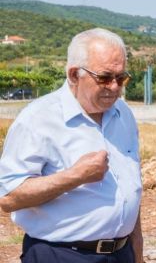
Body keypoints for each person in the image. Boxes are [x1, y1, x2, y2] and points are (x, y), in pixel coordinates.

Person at [0, 28, 143, 263]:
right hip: (61, 255)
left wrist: (137, 247)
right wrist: (75, 176)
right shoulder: (38, 119)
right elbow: (8, 197)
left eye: (121, 78)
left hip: (121, 253)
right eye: (105, 78)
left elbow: (131, 188)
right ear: (75, 75)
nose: (115, 87)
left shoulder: (123, 114)